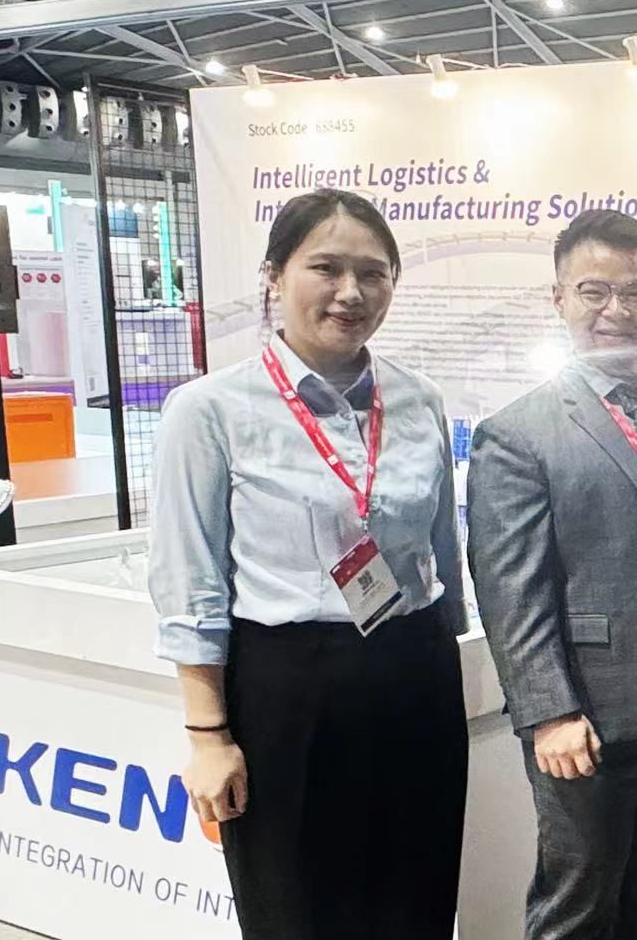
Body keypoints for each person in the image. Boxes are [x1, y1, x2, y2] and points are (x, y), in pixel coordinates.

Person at [148, 188, 467, 940]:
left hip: (413, 673)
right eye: (326, 267)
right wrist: (208, 736)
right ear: (274, 274)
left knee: (417, 904)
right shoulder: (210, 410)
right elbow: (190, 583)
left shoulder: (419, 400)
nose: (351, 292)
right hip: (286, 690)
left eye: (373, 273)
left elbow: (439, 553)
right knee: (297, 912)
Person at [466, 209, 637, 940]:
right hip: (587, 714)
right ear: (559, 298)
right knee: (577, 904)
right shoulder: (518, 432)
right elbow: (511, 589)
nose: (616, 310)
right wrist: (549, 712)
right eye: (594, 291)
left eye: (635, 292)